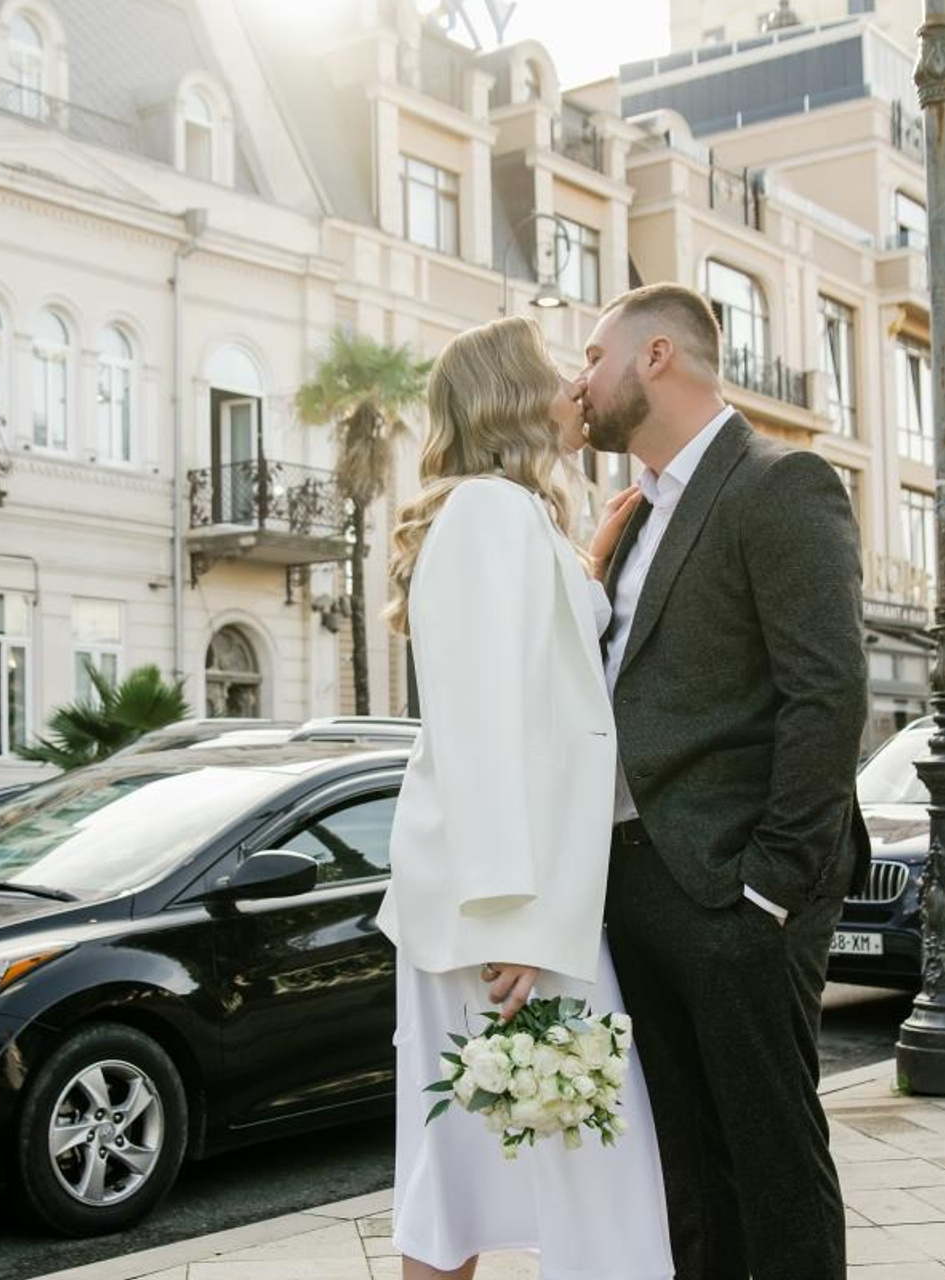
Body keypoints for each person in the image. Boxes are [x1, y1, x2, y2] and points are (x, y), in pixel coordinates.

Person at [576, 283, 871, 1280]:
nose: (581, 379)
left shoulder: (780, 482)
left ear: (655, 356)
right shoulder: (632, 515)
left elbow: (826, 694)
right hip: (636, 879)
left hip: (736, 888)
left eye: (593, 356)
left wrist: (770, 886)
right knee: (685, 1174)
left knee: (770, 1156)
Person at [376, 315, 671, 1280]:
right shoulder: (488, 515)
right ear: (511, 394)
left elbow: (536, 676)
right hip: (505, 910)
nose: (578, 386)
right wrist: (515, 918)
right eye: (558, 368)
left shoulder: (507, 517)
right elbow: (481, 724)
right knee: (582, 1175)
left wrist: (590, 559)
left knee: (465, 1177)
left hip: (512, 902)